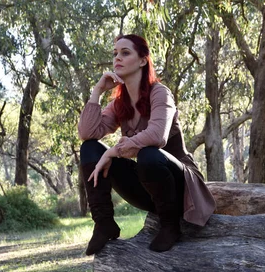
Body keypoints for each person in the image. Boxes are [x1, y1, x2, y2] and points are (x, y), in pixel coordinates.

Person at [78, 34, 216, 255]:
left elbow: (157, 137)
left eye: (125, 53)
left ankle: (170, 226)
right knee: (90, 149)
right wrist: (97, 92)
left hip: (180, 186)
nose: (117, 59)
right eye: (115, 54)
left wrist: (114, 151)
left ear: (143, 60)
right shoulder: (119, 104)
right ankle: (104, 223)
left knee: (149, 154)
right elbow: (87, 133)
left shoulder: (160, 92)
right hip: (149, 187)